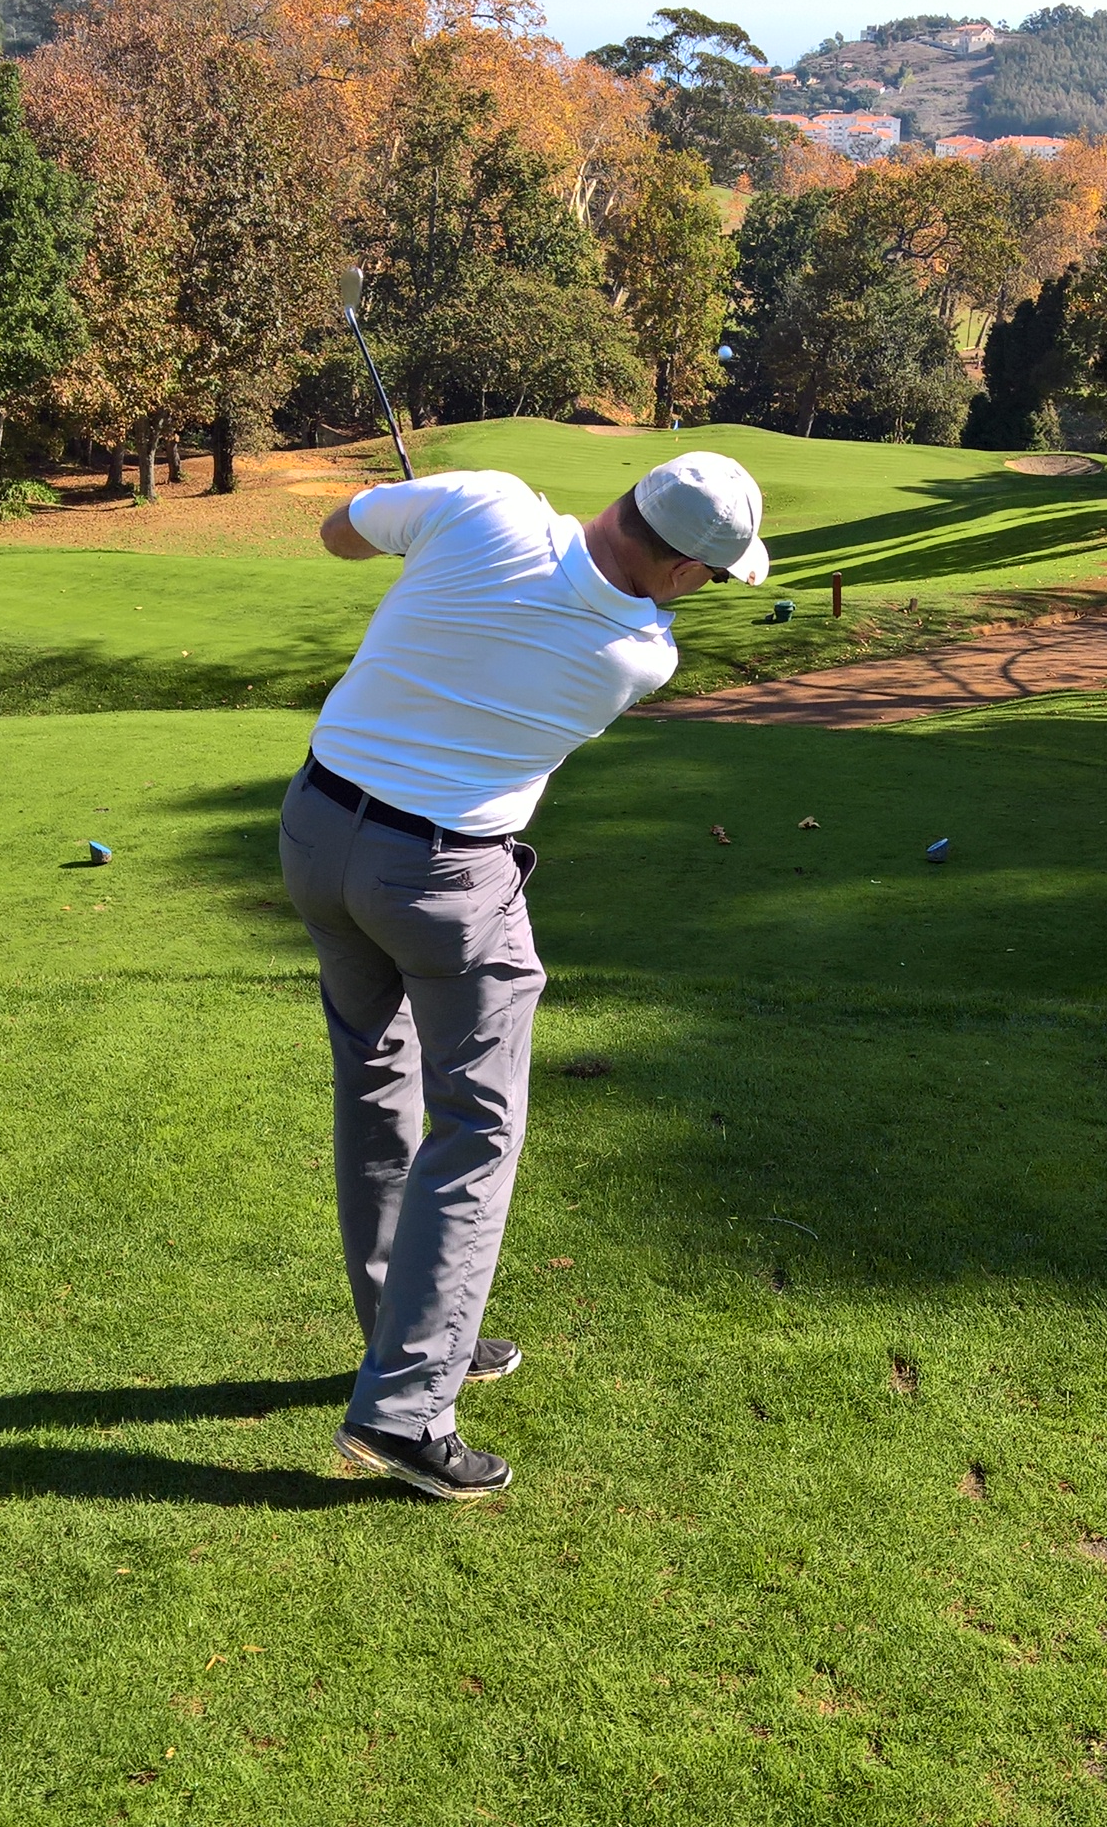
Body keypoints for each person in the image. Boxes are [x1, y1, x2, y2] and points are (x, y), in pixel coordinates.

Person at [283, 450, 770, 1498]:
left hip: (317, 831)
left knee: (374, 1081)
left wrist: (433, 531)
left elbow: (338, 533)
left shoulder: (483, 503)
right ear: (684, 569)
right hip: (444, 881)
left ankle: (407, 1333)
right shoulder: (639, 653)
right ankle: (408, 1409)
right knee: (478, 1125)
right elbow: (578, 605)